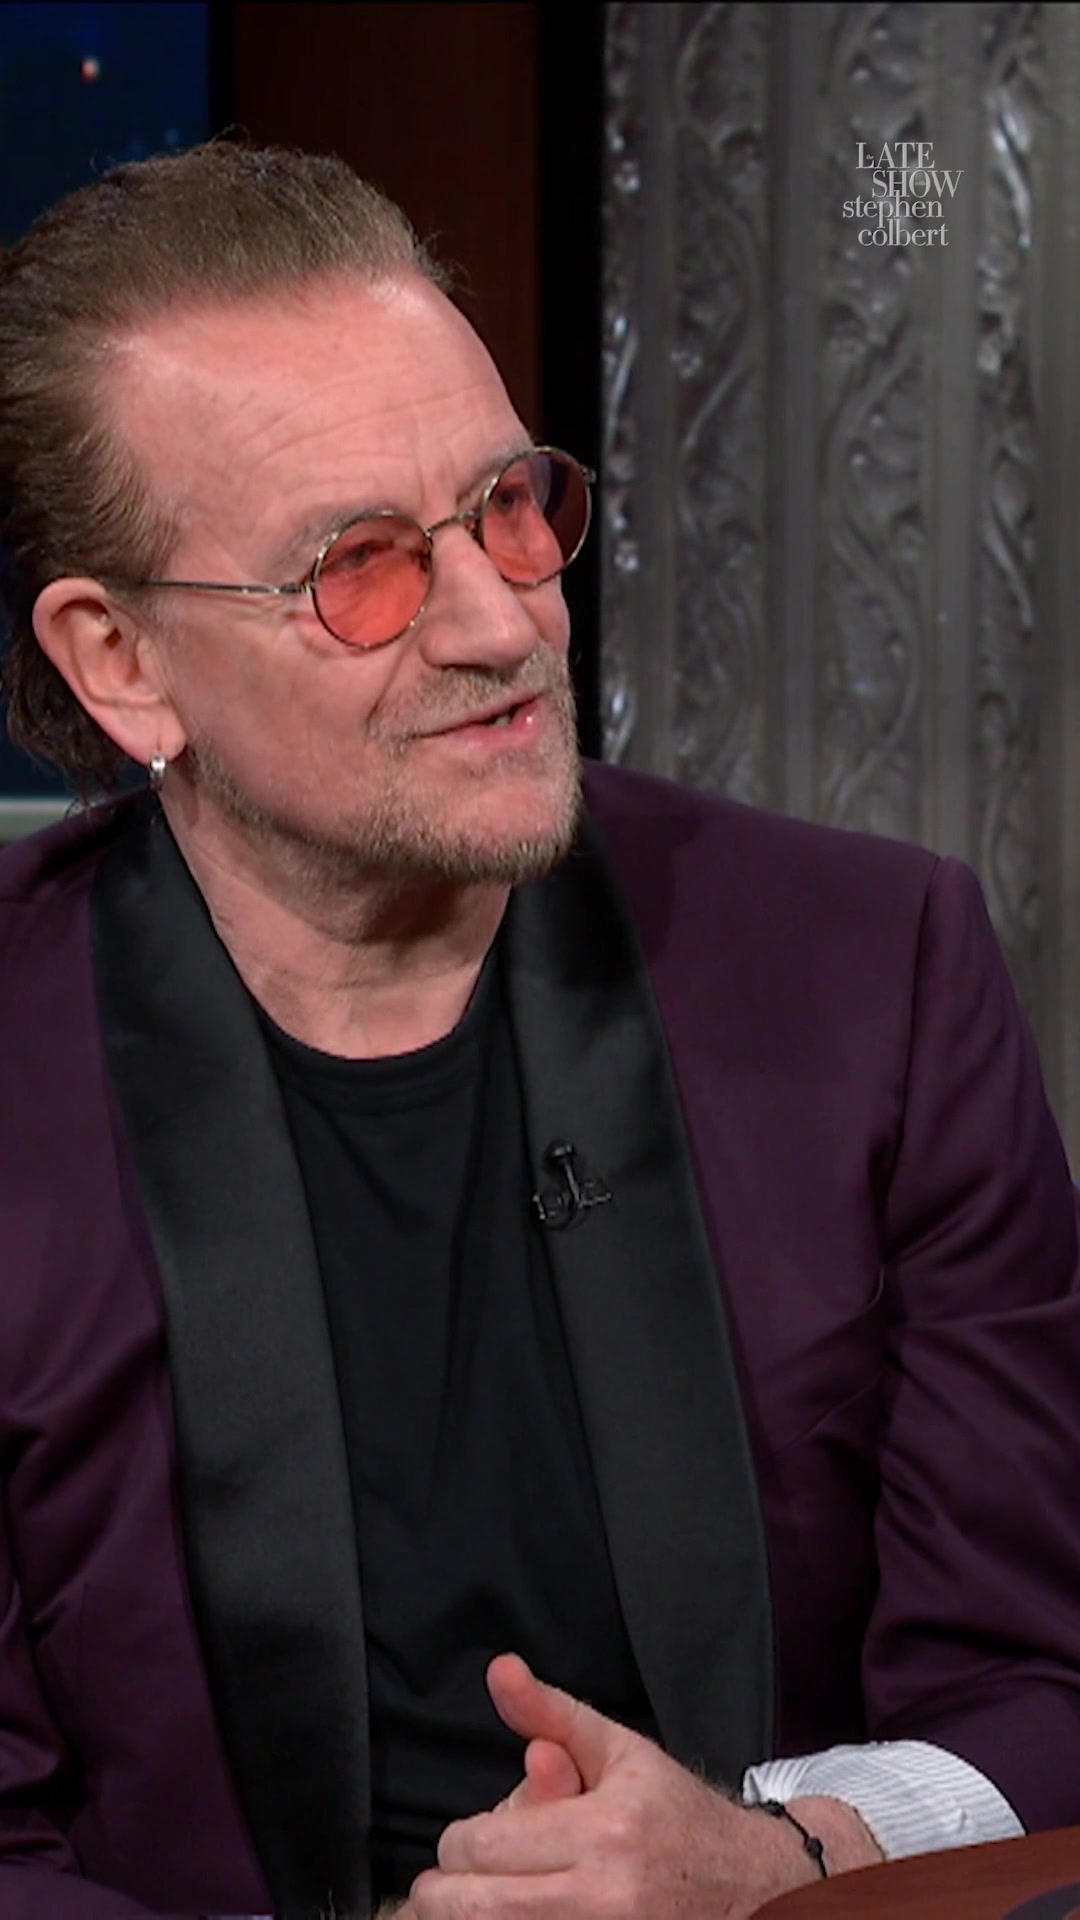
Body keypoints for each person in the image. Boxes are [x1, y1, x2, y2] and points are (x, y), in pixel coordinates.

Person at [0, 141, 1079, 1920]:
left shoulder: (877, 971)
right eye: (358, 566)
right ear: (122, 661)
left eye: (510, 504)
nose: (506, 620)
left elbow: (1043, 1684)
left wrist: (780, 1859)